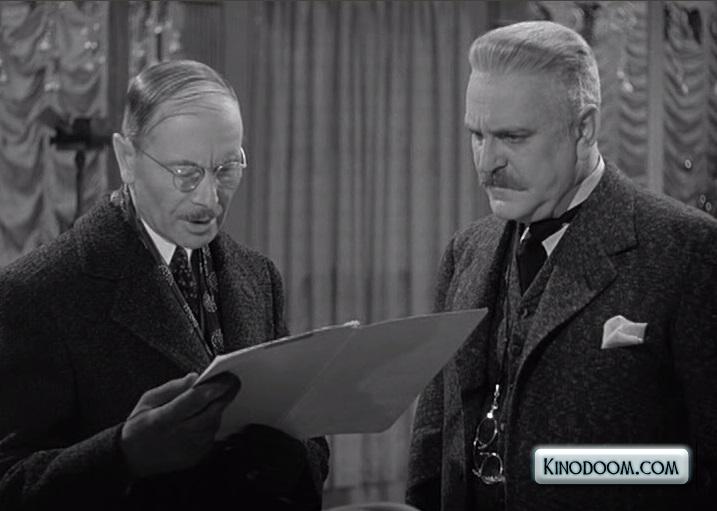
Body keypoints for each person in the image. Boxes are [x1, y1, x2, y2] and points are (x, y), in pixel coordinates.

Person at [406, 21, 716, 511]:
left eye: (512, 137)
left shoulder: (687, 252)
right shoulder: (465, 251)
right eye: (477, 135)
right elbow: (434, 443)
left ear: (584, 128)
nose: (487, 162)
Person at [0, 59, 328, 510]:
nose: (209, 199)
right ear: (127, 159)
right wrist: (123, 455)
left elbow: (309, 441)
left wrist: (290, 459)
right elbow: (9, 484)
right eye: (185, 173)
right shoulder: (37, 292)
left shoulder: (259, 276)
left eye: (226, 169)